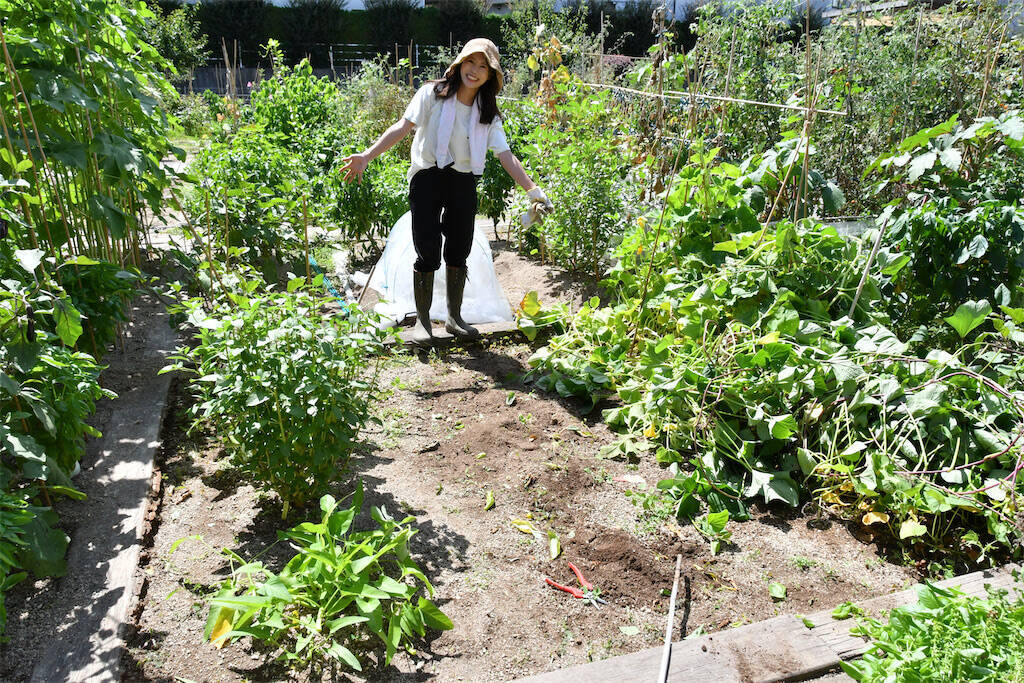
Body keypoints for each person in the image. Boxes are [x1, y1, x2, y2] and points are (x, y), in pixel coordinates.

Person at [340, 38, 552, 345]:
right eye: (471, 62)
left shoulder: (487, 114)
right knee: (426, 248)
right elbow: (403, 126)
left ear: (491, 76)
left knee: (459, 248)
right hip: (427, 177)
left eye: (484, 67)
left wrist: (533, 190)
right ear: (460, 63)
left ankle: (454, 318)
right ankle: (423, 322)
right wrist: (366, 156)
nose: (475, 71)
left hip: (463, 181)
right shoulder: (432, 94)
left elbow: (506, 155)